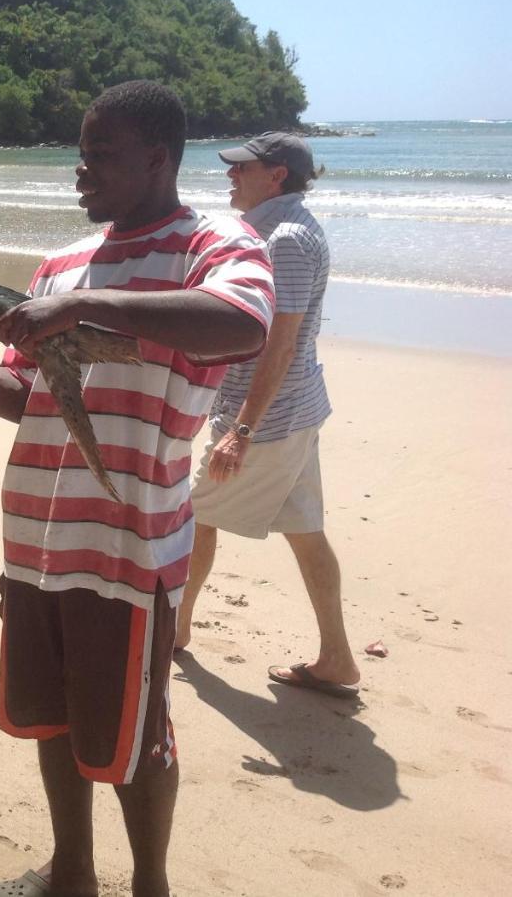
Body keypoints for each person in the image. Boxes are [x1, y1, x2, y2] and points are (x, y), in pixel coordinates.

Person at [0, 81, 274, 897]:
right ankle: (71, 872)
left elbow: (243, 323)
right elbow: (23, 398)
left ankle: (151, 886)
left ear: (158, 158)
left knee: (137, 737)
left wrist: (83, 306)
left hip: (129, 546)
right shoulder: (60, 265)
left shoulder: (211, 240)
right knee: (53, 717)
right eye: (79, 155)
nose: (81, 172)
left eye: (99, 155)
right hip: (37, 542)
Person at [178, 132, 360, 696]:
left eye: (243, 168)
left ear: (276, 175)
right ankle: (337, 659)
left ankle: (173, 630)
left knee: (193, 517)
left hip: (268, 421)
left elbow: (280, 342)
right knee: (306, 532)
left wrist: (242, 430)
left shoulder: (285, 240)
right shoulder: (282, 228)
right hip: (294, 411)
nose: (231, 176)